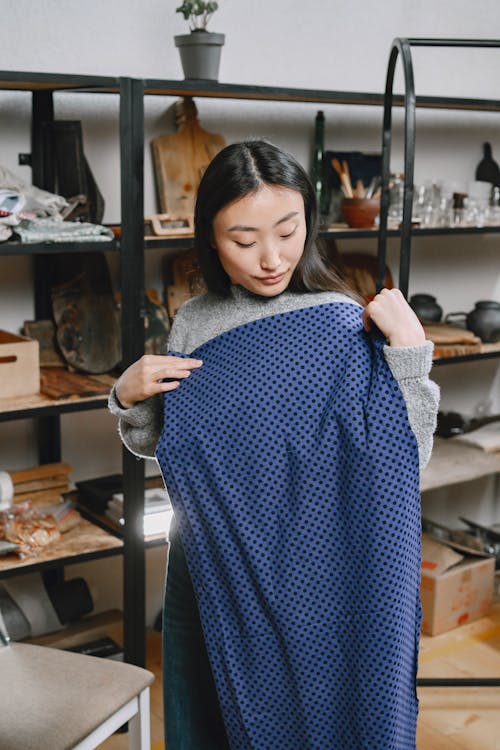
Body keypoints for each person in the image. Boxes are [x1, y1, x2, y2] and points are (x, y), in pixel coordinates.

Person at [109, 140, 440, 750]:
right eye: (243, 240)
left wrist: (410, 357)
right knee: (206, 719)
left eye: (289, 231)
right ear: (210, 237)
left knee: (316, 717)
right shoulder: (194, 322)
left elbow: (399, 463)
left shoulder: (340, 320)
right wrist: (128, 399)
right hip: (208, 561)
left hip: (318, 566)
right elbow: (177, 453)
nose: (271, 258)